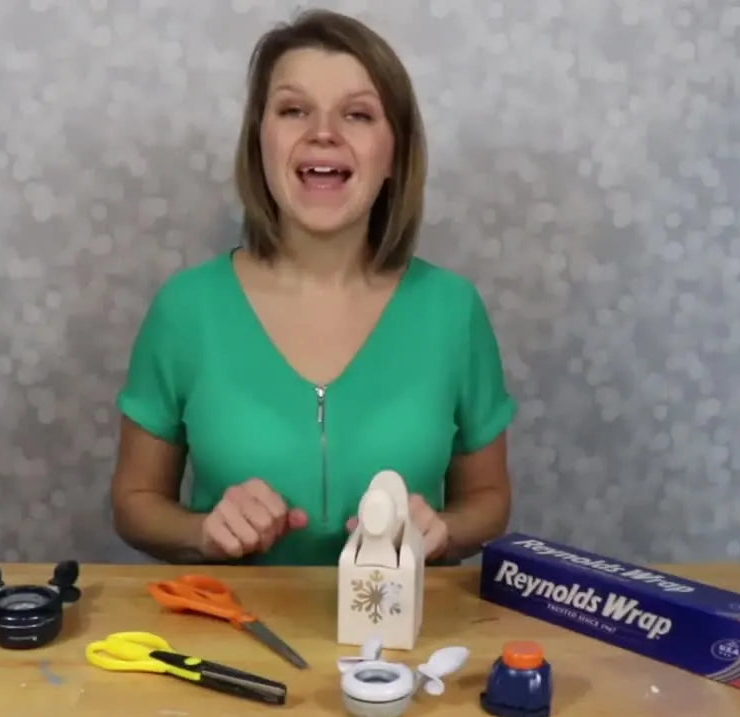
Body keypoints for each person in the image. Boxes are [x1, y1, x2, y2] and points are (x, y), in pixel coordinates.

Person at [110, 9, 516, 567]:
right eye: (294, 110)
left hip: (404, 641)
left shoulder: (453, 311)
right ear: (261, 141)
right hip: (233, 635)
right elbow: (134, 504)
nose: (322, 132)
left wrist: (443, 530)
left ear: (395, 153)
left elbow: (490, 500)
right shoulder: (186, 309)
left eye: (357, 114)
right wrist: (203, 531)